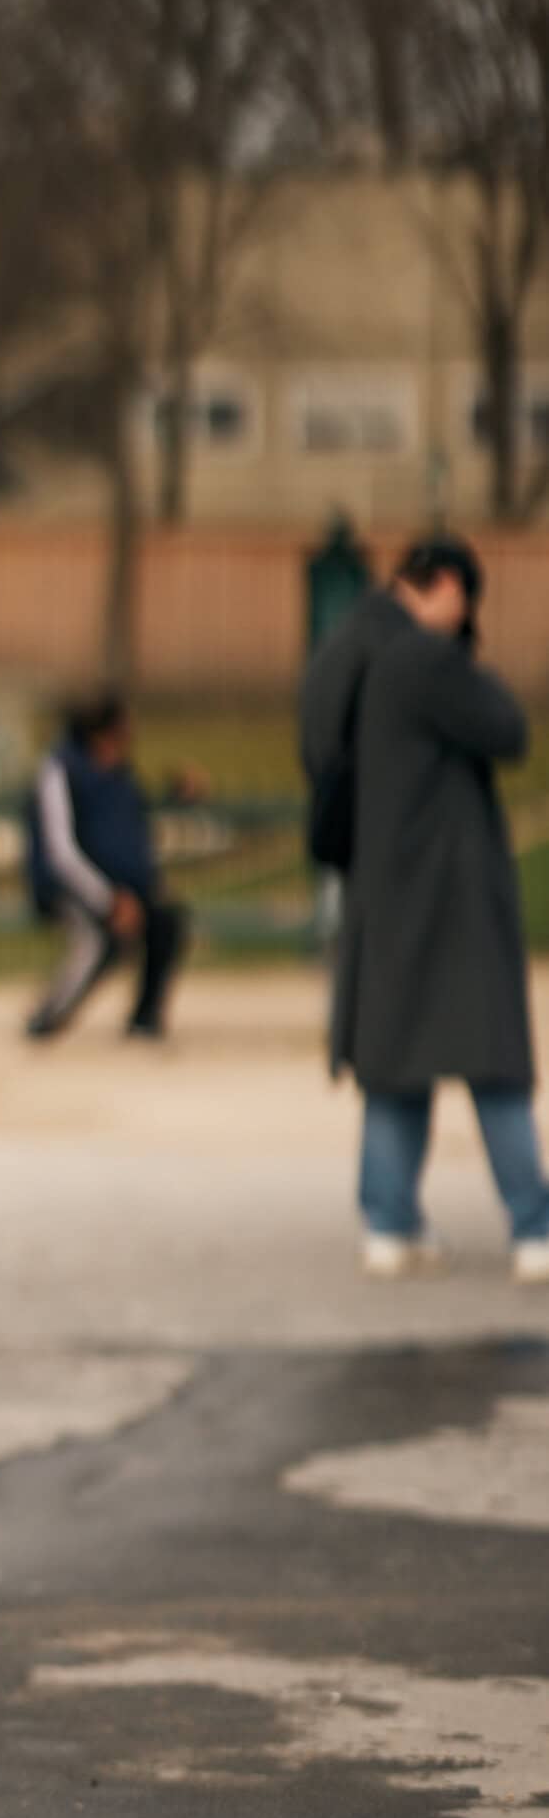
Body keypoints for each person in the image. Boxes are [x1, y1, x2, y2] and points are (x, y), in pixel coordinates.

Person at [299, 533, 549, 1282]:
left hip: (381, 882)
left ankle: (388, 1220)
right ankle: (533, 1224)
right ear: (446, 585)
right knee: (491, 1058)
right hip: (449, 890)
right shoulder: (422, 657)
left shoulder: (347, 645)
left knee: (394, 1060)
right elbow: (507, 730)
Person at [24, 692, 189, 1040]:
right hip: (72, 887)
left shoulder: (120, 773)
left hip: (123, 887)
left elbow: (130, 823)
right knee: (100, 939)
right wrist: (109, 900)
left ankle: (144, 1020)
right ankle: (48, 1016)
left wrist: (177, 794)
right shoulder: (60, 769)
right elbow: (61, 851)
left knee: (166, 920)